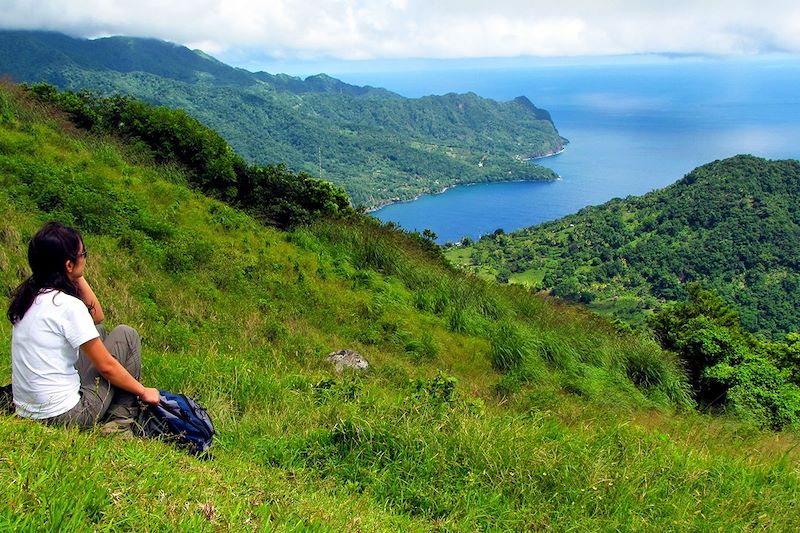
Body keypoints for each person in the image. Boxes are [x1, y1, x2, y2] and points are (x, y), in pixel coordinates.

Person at [7, 221, 160, 429]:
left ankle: (115, 416)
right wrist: (143, 391)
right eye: (83, 254)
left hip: (28, 412)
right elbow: (106, 367)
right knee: (126, 334)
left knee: (98, 331)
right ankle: (120, 421)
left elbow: (97, 317)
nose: (86, 258)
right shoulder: (67, 305)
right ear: (68, 264)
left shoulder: (27, 299)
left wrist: (74, 274)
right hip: (67, 416)